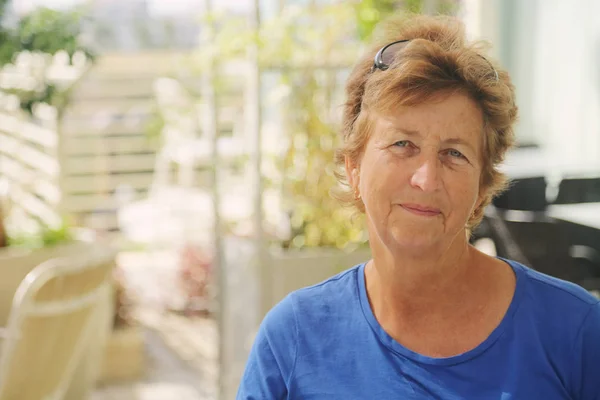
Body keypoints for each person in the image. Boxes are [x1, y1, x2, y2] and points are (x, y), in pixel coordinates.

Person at [237, 14, 600, 399]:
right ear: (354, 168)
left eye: (453, 153)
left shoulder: (574, 332)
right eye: (402, 145)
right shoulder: (293, 340)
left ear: (480, 187)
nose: (426, 178)